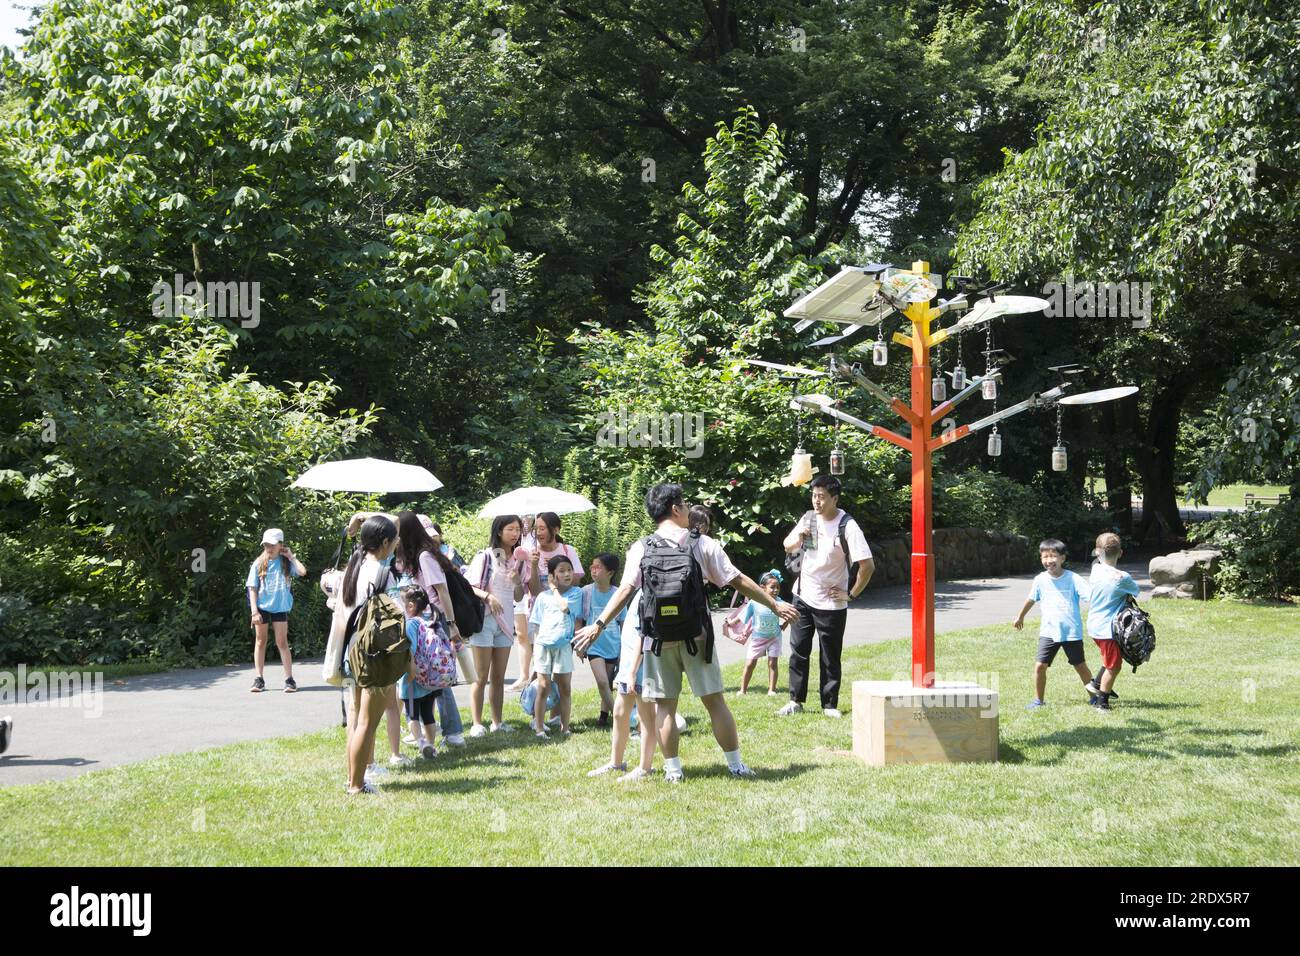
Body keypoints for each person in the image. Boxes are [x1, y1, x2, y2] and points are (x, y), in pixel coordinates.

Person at [574, 483, 798, 782]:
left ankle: (673, 771)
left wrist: (597, 625)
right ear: (676, 509)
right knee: (715, 701)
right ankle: (735, 765)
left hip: (657, 638)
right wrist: (773, 604)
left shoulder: (641, 547)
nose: (687, 508)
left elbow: (626, 589)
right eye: (684, 503)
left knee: (665, 706)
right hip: (697, 636)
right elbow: (737, 580)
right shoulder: (703, 544)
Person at [779, 475, 874, 717]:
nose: (817, 501)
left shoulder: (847, 526)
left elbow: (867, 565)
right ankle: (795, 701)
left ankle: (829, 704)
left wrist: (850, 594)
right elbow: (787, 544)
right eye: (814, 496)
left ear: (835, 498)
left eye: (821, 497)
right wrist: (798, 537)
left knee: (830, 655)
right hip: (803, 595)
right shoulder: (809, 518)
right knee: (798, 649)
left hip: (832, 602)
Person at [328, 514, 402, 795]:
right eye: (394, 540)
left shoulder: (352, 568)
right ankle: (357, 785)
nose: (396, 544)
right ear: (384, 542)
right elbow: (397, 616)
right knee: (368, 723)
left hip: (351, 651)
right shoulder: (383, 574)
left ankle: (352, 779)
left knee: (357, 717)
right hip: (374, 654)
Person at [395, 511, 466, 746]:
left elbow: (442, 590)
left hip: (434, 622)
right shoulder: (414, 555)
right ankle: (420, 730)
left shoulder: (425, 556)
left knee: (438, 676)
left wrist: (451, 624)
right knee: (420, 675)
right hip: (419, 622)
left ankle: (453, 731)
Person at [1013, 539, 1096, 709]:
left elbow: (1091, 597)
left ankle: (1095, 697)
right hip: (1048, 632)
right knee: (1040, 666)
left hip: (1071, 632)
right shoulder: (1040, 579)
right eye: (1045, 556)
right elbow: (1031, 599)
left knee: (1080, 666)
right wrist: (1020, 616)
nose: (1049, 560)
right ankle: (1038, 700)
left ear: (1063, 558)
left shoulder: (1073, 578)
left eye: (1053, 556)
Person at [466, 515, 527, 736]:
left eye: (518, 529)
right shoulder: (485, 557)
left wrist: (518, 581)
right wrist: (488, 597)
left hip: (506, 622)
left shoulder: (520, 561)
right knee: (481, 676)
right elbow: (469, 586)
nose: (515, 533)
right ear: (499, 531)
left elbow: (519, 597)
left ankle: (497, 722)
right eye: (510, 529)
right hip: (485, 620)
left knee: (498, 677)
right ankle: (476, 723)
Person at [587, 589, 657, 781]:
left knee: (647, 717)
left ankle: (645, 768)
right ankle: (616, 763)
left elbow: (644, 635)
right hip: (629, 669)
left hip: (643, 669)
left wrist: (633, 671)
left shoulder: (649, 593)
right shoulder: (640, 592)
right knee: (619, 713)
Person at [517, 511, 584, 691]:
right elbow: (535, 590)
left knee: (560, 666)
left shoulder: (567, 551)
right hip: (541, 614)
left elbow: (577, 580)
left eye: (542, 528)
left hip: (564, 614)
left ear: (555, 529)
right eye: (536, 528)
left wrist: (558, 571)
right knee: (541, 663)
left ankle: (555, 713)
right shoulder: (532, 553)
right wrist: (533, 565)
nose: (538, 532)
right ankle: (537, 706)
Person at [527, 554, 585, 737]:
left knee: (565, 687)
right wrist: (535, 652)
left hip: (563, 646)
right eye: (561, 571)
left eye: (569, 569)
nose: (567, 574)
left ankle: (565, 727)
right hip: (543, 646)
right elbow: (536, 626)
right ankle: (538, 726)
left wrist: (553, 589)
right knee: (543, 686)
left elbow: (564, 607)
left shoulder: (576, 593)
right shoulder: (543, 597)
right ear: (552, 575)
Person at [1083, 532, 1141, 711]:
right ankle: (1102, 703)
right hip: (1107, 629)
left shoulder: (1095, 569)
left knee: (1111, 657)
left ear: (1097, 552)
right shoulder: (1122, 577)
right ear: (1121, 553)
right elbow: (1136, 591)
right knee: (1114, 666)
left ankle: (1096, 683)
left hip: (1094, 625)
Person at [246, 528, 307, 693]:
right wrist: (254, 611)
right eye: (266, 544)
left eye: (273, 544)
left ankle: (289, 679)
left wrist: (291, 556)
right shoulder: (259, 563)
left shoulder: (286, 562)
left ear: (281, 545)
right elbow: (252, 588)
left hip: (280, 607)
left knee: (282, 642)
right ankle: (259, 679)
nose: (269, 548)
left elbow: (302, 572)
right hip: (262, 608)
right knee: (260, 640)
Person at [580, 553, 626, 727]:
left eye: (598, 567)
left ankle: (603, 716)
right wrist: (580, 644)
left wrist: (624, 650)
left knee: (606, 682)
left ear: (610, 572)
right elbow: (579, 618)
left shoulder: (618, 594)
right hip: (594, 645)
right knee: (601, 681)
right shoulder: (586, 591)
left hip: (613, 644)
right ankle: (618, 717)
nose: (593, 570)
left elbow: (623, 623)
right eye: (592, 566)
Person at [397, 586, 440, 760]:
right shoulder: (431, 620)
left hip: (413, 680)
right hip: (430, 678)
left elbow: (411, 649)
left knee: (412, 715)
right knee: (428, 714)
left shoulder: (411, 624)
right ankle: (432, 744)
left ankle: (422, 743)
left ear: (411, 606)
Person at [739, 570, 789, 695]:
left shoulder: (779, 602)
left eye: (778, 587)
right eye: (772, 587)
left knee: (773, 663)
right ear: (762, 588)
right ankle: (742, 690)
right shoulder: (755, 602)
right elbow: (743, 616)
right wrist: (731, 622)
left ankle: (771, 689)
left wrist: (785, 624)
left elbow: (790, 612)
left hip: (775, 637)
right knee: (750, 663)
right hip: (758, 638)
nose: (776, 590)